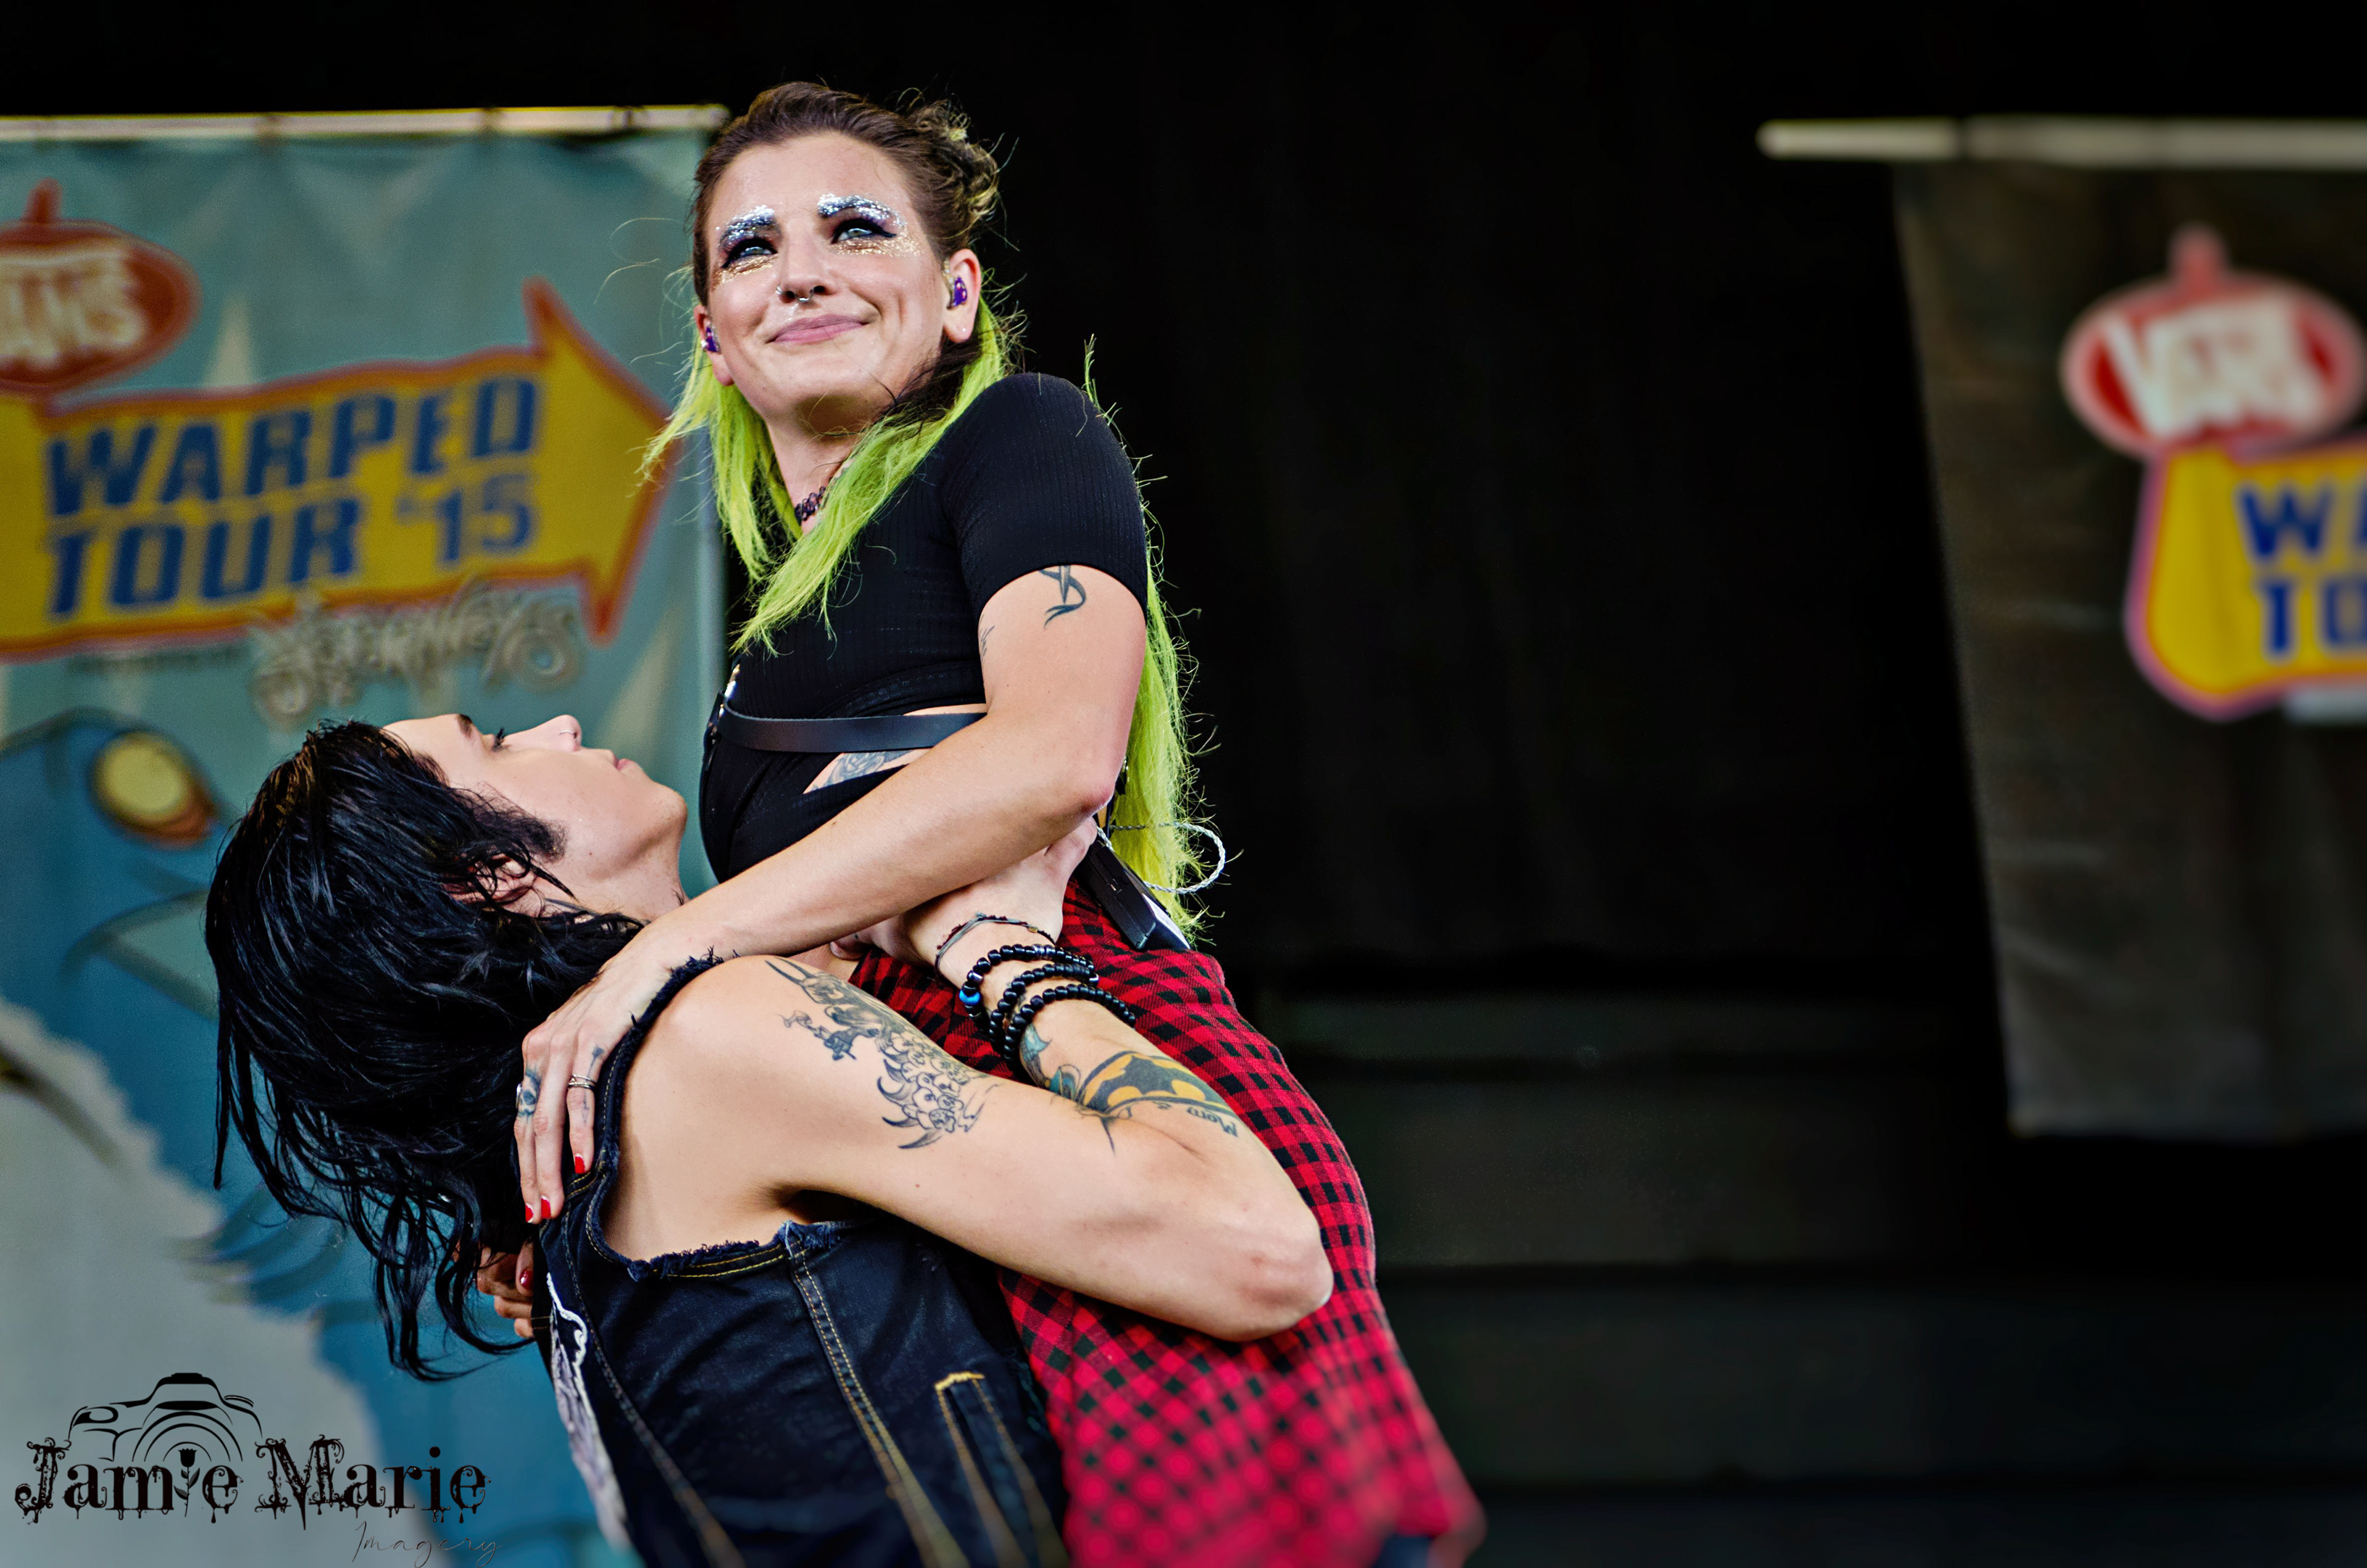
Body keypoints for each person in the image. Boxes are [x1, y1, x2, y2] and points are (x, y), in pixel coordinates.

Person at [517, 83, 1482, 1567]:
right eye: (752, 249)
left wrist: (664, 955)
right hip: (914, 1112)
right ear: (713, 333)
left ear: (958, 292)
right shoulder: (777, 622)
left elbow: (1052, 758)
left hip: (1085, 1052)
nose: (803, 270)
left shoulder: (1021, 438)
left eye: (856, 229)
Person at [206, 713, 1330, 1566]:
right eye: (498, 744)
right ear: (482, 880)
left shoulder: (572, 1180)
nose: (559, 726)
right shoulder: (705, 1040)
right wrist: (1005, 956)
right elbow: (1257, 1251)